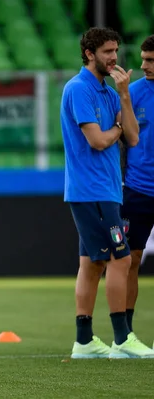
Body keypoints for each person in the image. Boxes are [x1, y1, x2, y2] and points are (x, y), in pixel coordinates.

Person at [61, 27, 154, 359]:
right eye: (107, 52)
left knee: (91, 264)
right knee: (122, 259)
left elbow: (132, 136)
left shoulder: (109, 92)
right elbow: (98, 140)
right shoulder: (78, 90)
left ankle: (84, 342)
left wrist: (125, 96)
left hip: (107, 189)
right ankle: (122, 339)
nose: (115, 57)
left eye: (115, 51)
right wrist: (115, 127)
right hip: (92, 191)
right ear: (89, 54)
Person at [121, 34, 154, 340]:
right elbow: (120, 139)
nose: (144, 65)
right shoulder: (132, 94)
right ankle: (127, 334)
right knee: (131, 260)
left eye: (151, 60)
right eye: (143, 59)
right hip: (138, 189)